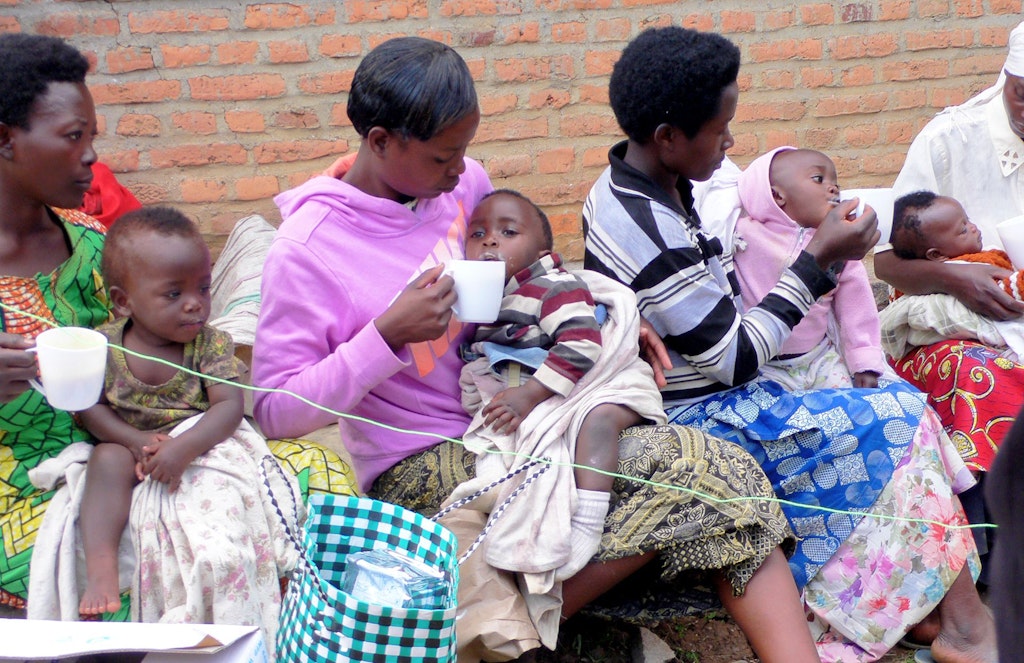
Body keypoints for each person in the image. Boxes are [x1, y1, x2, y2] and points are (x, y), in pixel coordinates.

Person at [254, 35, 821, 663]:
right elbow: (275, 411)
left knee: (719, 470)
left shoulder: (460, 184)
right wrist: (385, 336)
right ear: (382, 141)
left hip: (535, 421)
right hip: (425, 461)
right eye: (445, 156)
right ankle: (509, 630)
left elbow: (527, 272)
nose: (460, 171)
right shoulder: (308, 250)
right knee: (690, 480)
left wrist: (601, 312)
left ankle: (514, 624)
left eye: (465, 150)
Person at [582, 25, 996, 663]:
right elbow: (731, 359)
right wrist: (817, 260)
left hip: (735, 390)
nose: (730, 141)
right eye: (720, 129)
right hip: (695, 414)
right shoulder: (640, 220)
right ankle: (962, 626)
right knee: (895, 416)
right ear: (668, 138)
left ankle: (925, 610)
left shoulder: (660, 188)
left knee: (886, 400)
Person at [0, 33, 354, 623]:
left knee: (322, 479)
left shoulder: (93, 245)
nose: (91, 156)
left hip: (151, 448)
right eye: (73, 136)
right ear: (5, 139)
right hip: (23, 484)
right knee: (104, 558)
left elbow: (165, 351)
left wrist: (171, 441)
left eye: (92, 136)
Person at [73, 205, 301, 647]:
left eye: (203, 287)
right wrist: (136, 441)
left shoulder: (210, 344)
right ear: (124, 301)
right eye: (173, 293)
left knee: (222, 484)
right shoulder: (105, 346)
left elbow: (227, 407)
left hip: (199, 440)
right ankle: (102, 570)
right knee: (105, 461)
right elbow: (90, 409)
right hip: (130, 443)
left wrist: (183, 449)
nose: (195, 302)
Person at [456, 188, 664, 583]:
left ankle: (588, 521)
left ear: (542, 252)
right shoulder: (495, 297)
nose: (490, 241)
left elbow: (582, 342)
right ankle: (498, 487)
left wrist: (530, 395)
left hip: (605, 385)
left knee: (596, 422)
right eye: (477, 234)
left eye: (508, 232)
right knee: (502, 429)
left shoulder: (554, 286)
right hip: (550, 383)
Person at [881, 190, 1024, 468]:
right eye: (963, 229)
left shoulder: (974, 257)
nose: (974, 227)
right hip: (983, 347)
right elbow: (1009, 290)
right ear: (936, 254)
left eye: (968, 221)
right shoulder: (970, 267)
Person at [732, 147, 888, 390]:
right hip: (762, 367)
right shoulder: (744, 234)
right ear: (777, 195)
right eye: (819, 178)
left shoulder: (840, 246)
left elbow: (857, 309)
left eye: (836, 183)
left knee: (851, 404)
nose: (833, 188)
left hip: (818, 359)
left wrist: (864, 363)